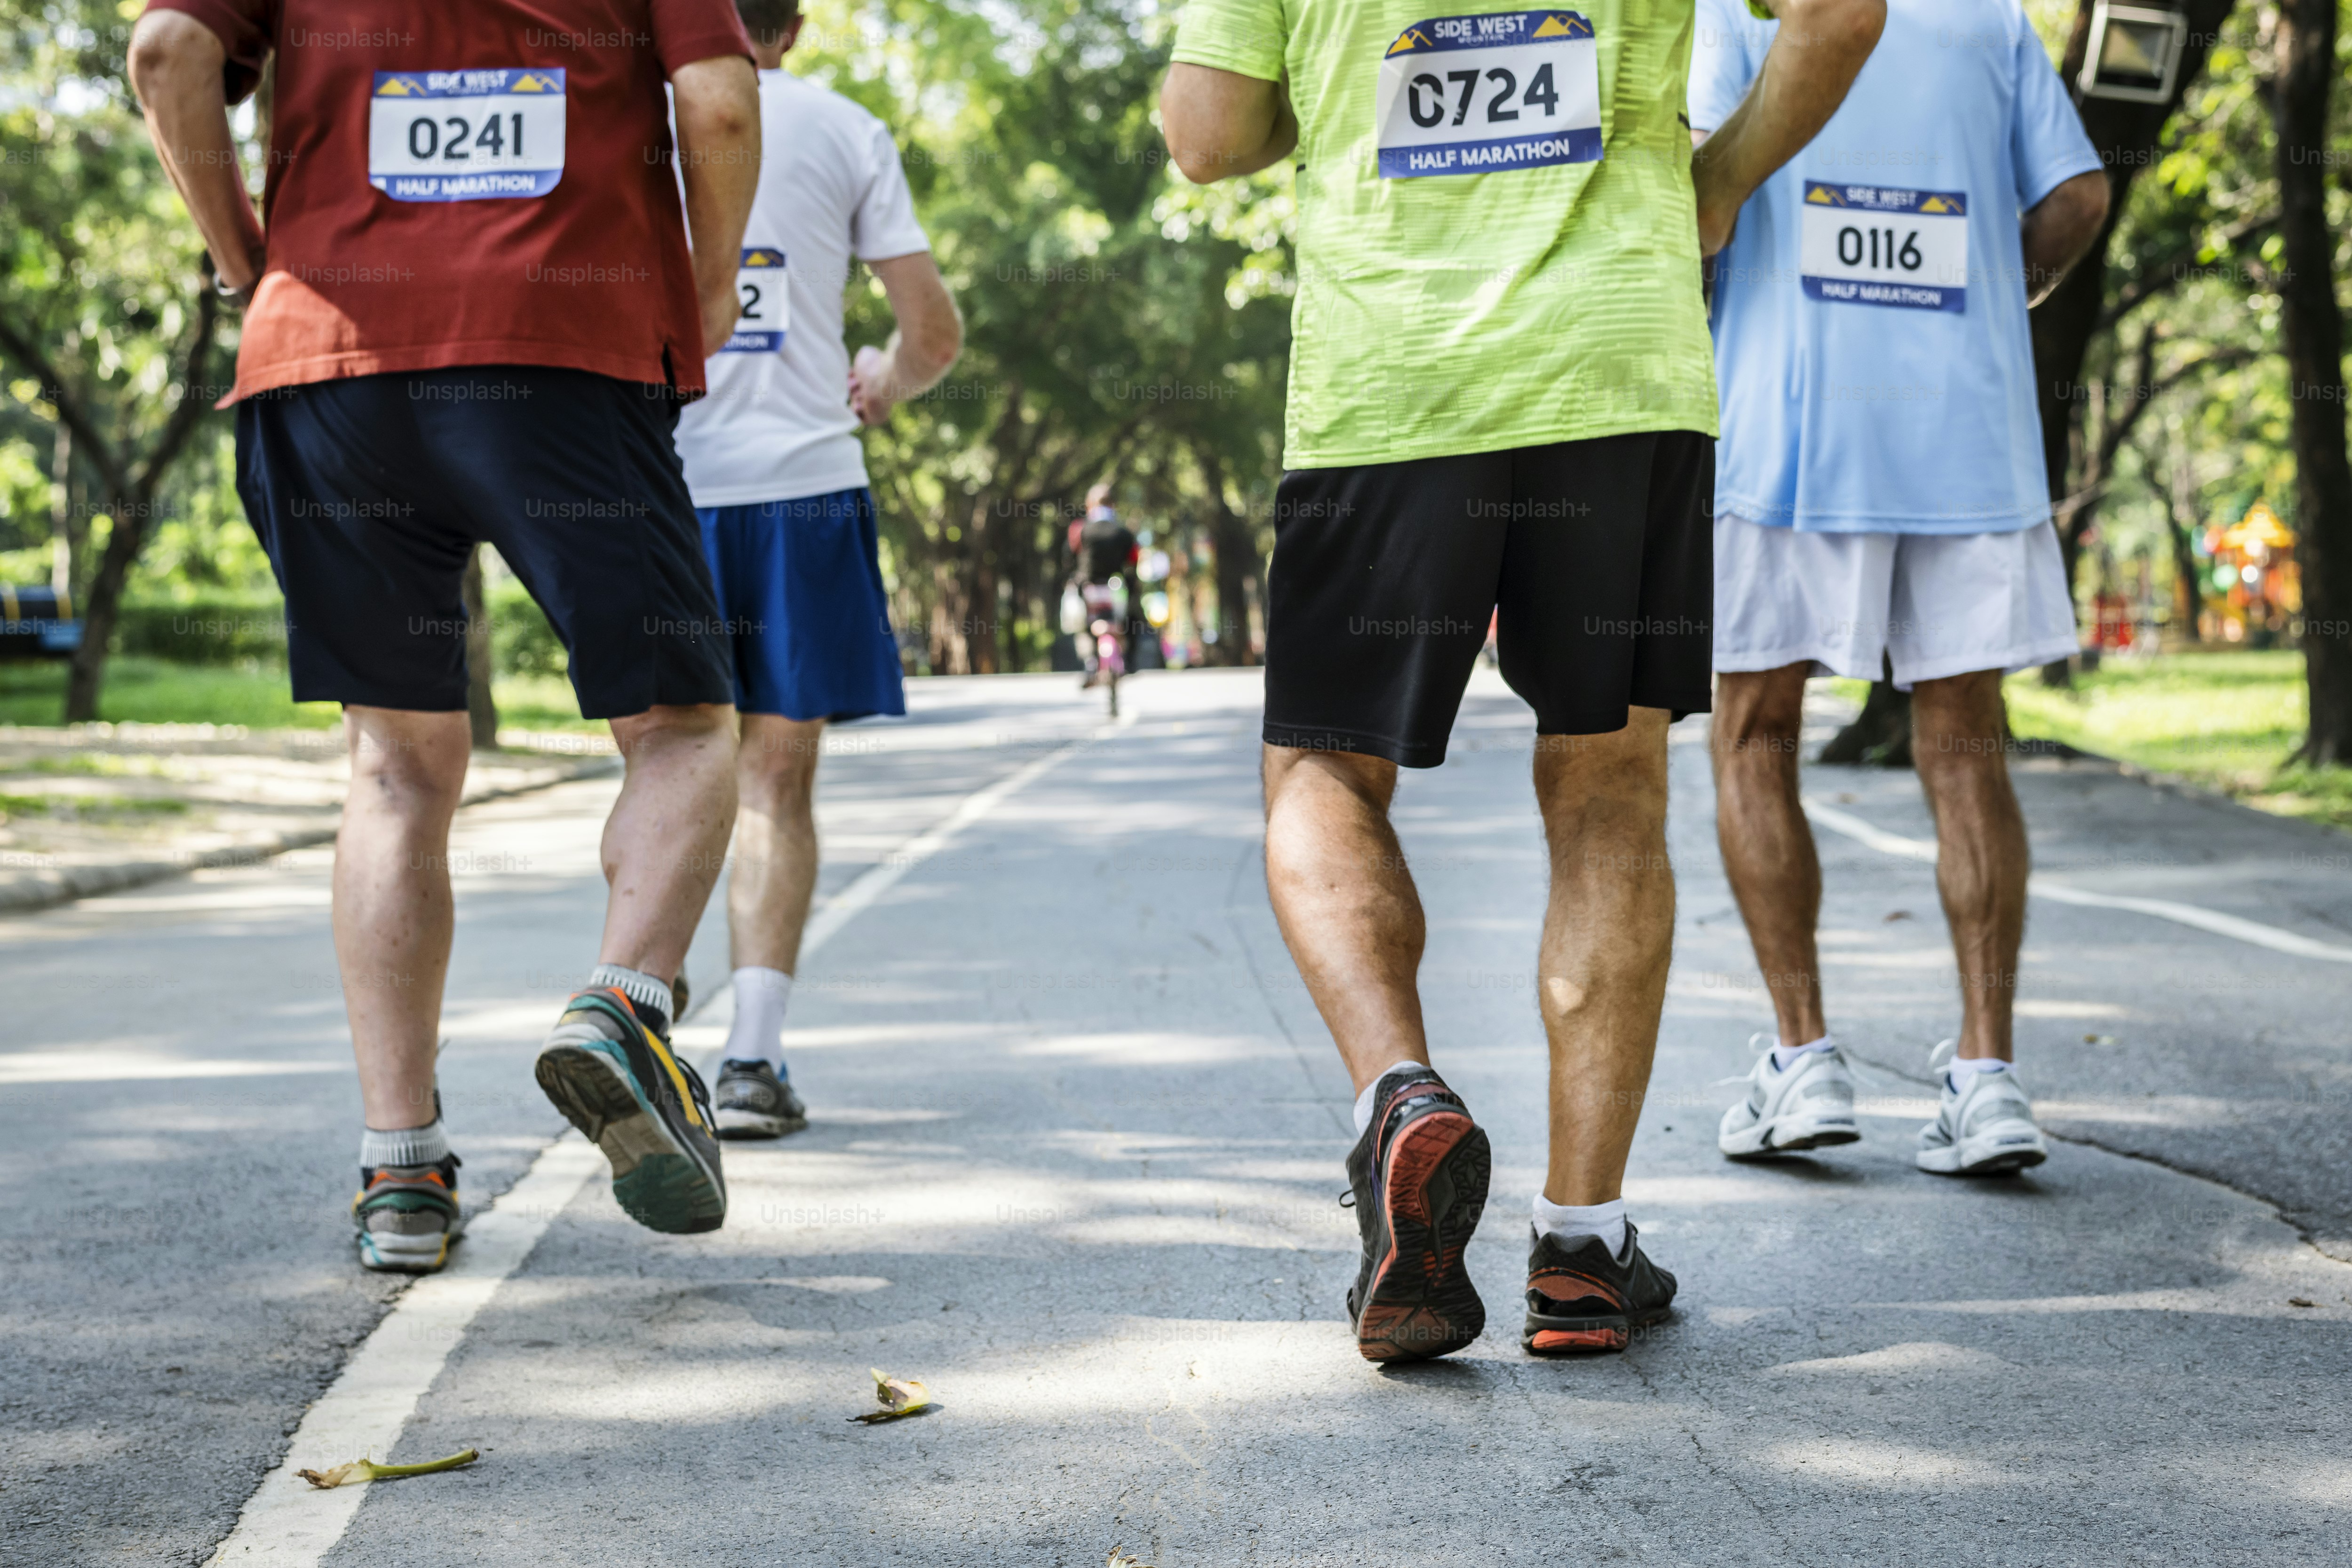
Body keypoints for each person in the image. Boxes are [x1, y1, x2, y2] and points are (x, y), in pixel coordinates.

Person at [1160, 0, 1886, 1361]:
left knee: (1324, 769)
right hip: (1618, 369)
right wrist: (1715, 180)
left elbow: (1204, 136)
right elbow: (1842, 14)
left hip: (1391, 385)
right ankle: (1582, 1247)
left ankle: (1401, 1099)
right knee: (1610, 785)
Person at [128, 0, 763, 1270]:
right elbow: (720, 102)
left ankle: (402, 1170)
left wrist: (250, 267)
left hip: (328, 369)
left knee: (393, 765)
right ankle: (624, 1005)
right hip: (561, 350)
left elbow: (166, 51)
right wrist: (700, 298)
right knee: (681, 727)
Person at [1692, 0, 2108, 1174]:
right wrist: (1992, 291)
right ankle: (1987, 1077)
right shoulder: (1989, 15)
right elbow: (2080, 198)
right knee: (1966, 748)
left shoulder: (1739, 8)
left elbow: (1700, 193)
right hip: (1965, 428)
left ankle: (1802, 1056)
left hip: (1787, 421)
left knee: (1753, 733)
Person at [671, 0, 962, 1138]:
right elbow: (932, 332)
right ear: (790, 28)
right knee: (773, 783)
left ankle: (631, 1014)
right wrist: (885, 379)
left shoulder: (628, 119)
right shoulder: (845, 129)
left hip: (651, 490)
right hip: (801, 489)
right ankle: (751, 1059)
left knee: (663, 769)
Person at [1065, 483, 1137, 686]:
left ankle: (1090, 664)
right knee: (1128, 621)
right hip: (1116, 589)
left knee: (1083, 625)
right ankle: (1128, 661)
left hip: (1088, 589)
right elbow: (1133, 562)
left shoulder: (1080, 530)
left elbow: (1069, 558)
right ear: (1113, 505)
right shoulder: (1124, 533)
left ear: (1089, 505)